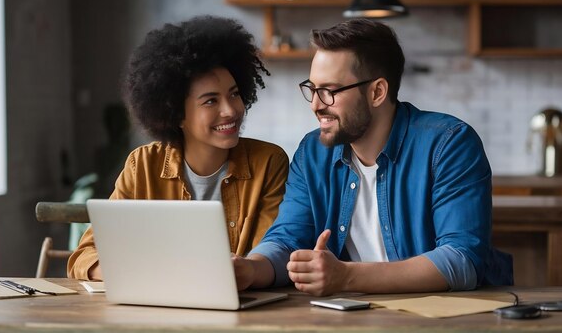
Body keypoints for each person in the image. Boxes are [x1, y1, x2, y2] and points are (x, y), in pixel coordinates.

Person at [233, 19, 513, 296]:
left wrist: (345, 277)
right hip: (352, 315)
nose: (316, 105)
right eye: (312, 89)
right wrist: (251, 269)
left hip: (442, 319)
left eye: (329, 91)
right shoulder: (313, 153)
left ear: (377, 92)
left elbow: (462, 260)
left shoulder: (450, 144)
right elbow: (287, 241)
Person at [68, 16, 289, 280]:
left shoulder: (268, 163)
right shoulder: (143, 166)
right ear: (176, 114)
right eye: (210, 101)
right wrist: (136, 273)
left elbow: (274, 250)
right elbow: (84, 256)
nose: (230, 110)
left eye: (234, 94)